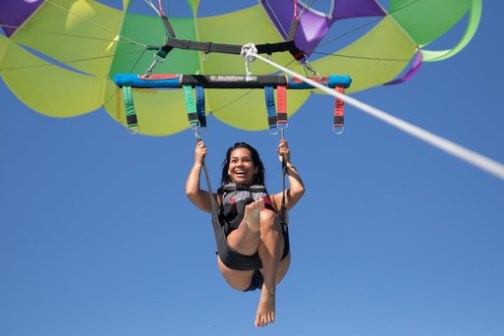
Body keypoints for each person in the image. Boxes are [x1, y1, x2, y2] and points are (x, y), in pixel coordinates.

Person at [185, 139, 304, 327]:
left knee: (267, 216)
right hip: (237, 259)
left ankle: (268, 290)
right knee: (263, 215)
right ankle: (251, 219)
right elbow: (191, 192)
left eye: (246, 160)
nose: (239, 164)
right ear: (228, 169)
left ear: (255, 168)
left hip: (272, 267)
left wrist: (286, 162)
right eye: (234, 161)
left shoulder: (271, 200)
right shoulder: (218, 199)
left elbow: (298, 190)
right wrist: (198, 162)